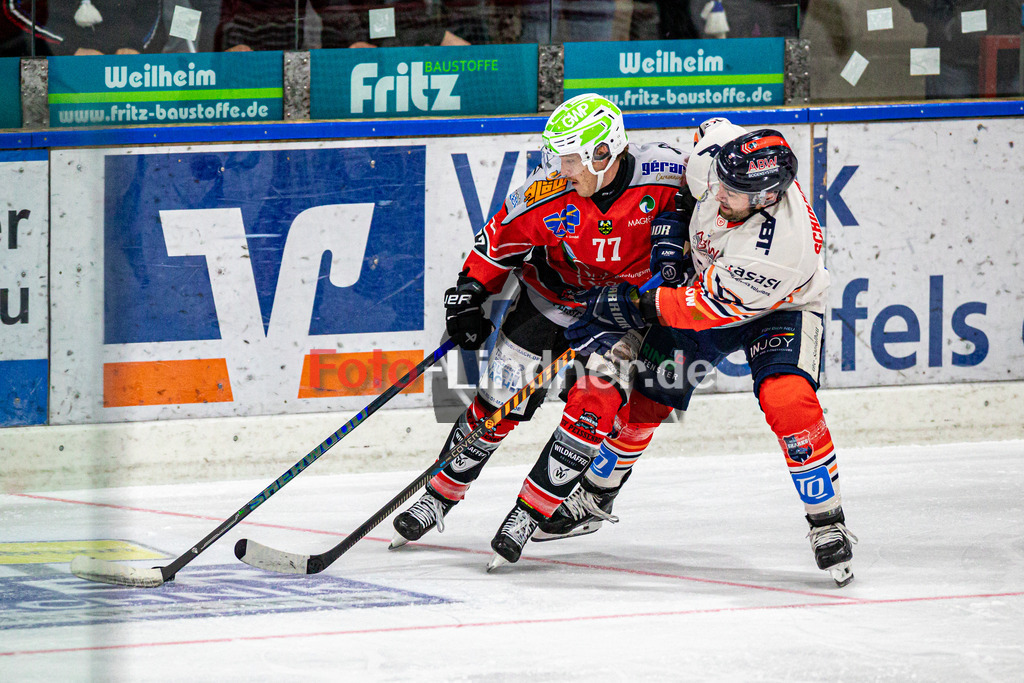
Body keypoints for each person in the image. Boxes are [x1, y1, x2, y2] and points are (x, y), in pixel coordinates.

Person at [549, 118, 858, 587]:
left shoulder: (781, 250)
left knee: (787, 398)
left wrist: (634, 304)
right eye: (721, 181)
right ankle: (596, 495)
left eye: (732, 193)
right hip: (707, 286)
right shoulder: (721, 161)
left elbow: (697, 308)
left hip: (778, 308)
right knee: (646, 397)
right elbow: (693, 171)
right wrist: (671, 231)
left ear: (767, 197)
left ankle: (827, 521)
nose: (718, 194)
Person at [388, 93, 689, 569]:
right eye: (558, 157)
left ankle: (529, 513)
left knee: (593, 407)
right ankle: (439, 496)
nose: (561, 169)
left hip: (621, 314)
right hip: (550, 300)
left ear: (604, 152)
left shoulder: (669, 176)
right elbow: (497, 242)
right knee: (498, 400)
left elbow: (717, 217)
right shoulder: (547, 189)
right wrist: (469, 293)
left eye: (571, 159)